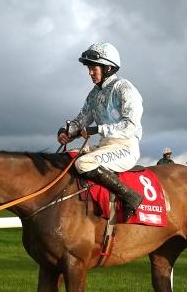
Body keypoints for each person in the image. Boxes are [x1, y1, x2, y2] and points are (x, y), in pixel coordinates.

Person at [57, 42, 144, 221]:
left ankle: (130, 196)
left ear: (108, 68)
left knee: (83, 163)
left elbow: (130, 126)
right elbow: (82, 119)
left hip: (126, 147)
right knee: (68, 157)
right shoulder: (94, 94)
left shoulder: (124, 88)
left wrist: (98, 129)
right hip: (105, 146)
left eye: (93, 68)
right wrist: (67, 130)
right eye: (89, 69)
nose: (90, 73)